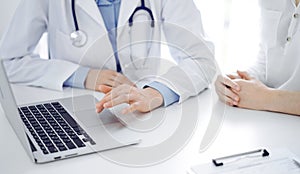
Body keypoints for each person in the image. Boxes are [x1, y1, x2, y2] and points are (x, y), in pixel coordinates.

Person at [0, 0, 216, 114]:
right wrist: (81, 76)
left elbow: (201, 60)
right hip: (76, 113)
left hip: (144, 114)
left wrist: (156, 92)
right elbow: (9, 61)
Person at [215, 0, 300, 116]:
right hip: (272, 121)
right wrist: (235, 84)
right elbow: (265, 62)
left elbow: (262, 97)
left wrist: (266, 98)